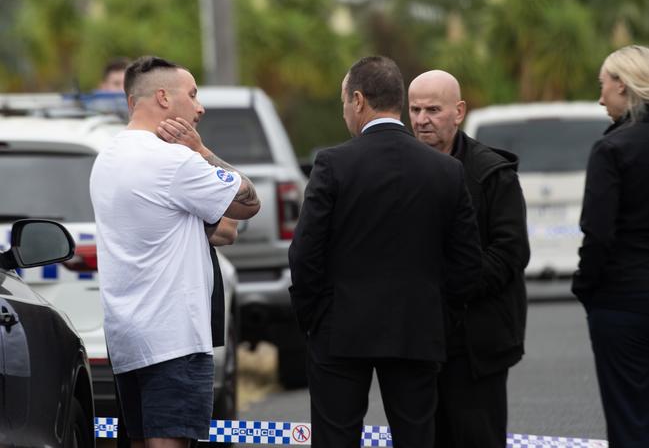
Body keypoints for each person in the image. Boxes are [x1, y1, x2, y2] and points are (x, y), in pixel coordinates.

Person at [288, 56, 482, 448]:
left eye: (344, 101)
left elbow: (305, 253)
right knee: (416, 437)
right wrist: (439, 316)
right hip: (417, 328)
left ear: (358, 100)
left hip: (339, 329)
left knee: (336, 437)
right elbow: (466, 264)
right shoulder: (445, 170)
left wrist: (313, 318)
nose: (345, 111)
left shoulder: (333, 164)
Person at [90, 55, 260, 448]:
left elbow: (223, 228)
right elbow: (248, 203)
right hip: (175, 338)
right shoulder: (174, 160)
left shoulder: (107, 157)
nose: (199, 107)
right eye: (193, 94)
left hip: (127, 336)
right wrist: (201, 151)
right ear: (163, 98)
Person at [408, 70, 529, 448]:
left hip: (478, 344)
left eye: (433, 109)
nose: (422, 119)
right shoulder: (400, 169)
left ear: (459, 112)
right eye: (414, 109)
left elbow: (511, 252)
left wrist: (452, 285)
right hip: (416, 343)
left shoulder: (492, 174)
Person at [572, 44, 649, 447]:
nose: (600, 97)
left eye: (603, 86)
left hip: (621, 300)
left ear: (622, 85)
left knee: (629, 418)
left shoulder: (612, 149)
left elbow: (598, 233)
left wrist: (585, 286)